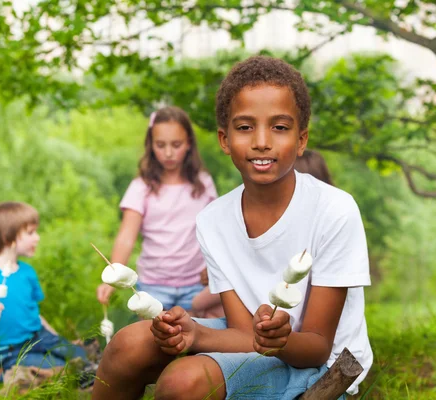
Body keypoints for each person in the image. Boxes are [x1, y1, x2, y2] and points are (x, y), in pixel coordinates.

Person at [92, 56, 372, 400]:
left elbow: (315, 347)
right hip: (251, 344)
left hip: (319, 363)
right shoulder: (213, 220)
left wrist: (279, 340)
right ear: (224, 140)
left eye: (280, 127)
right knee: (127, 343)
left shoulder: (334, 210)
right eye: (245, 127)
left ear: (302, 140)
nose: (262, 141)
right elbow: (242, 332)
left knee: (182, 382)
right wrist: (192, 332)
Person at [0, 201, 96, 387]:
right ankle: (7, 369)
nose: (37, 238)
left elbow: (34, 313)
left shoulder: (28, 272)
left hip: (40, 335)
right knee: (56, 370)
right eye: (31, 233)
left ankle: (88, 372)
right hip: (11, 348)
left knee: (77, 356)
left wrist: (57, 339)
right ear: (8, 237)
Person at [95, 106, 218, 313]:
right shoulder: (141, 187)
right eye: (160, 145)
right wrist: (113, 278)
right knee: (156, 340)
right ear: (151, 145)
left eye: (176, 145)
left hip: (197, 286)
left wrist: (215, 267)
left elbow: (216, 232)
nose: (168, 153)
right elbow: (126, 236)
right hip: (154, 286)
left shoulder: (203, 184)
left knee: (195, 340)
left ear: (188, 143)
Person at [192, 149, 335, 319]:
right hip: (265, 325)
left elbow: (200, 303)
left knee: (203, 309)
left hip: (287, 332)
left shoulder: (327, 226)